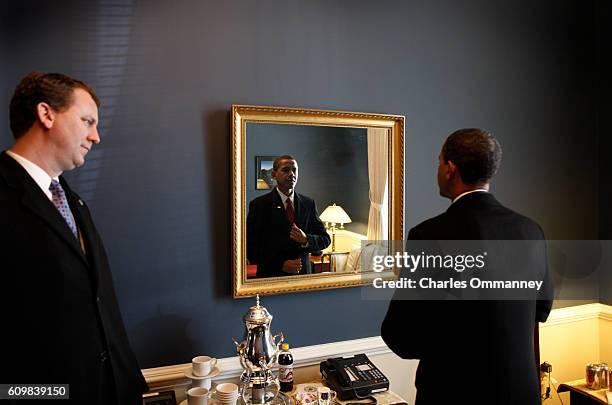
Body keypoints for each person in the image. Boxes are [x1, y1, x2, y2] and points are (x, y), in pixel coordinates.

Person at [0, 72, 148, 404]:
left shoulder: (71, 200)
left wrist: (128, 385)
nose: (95, 136)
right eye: (87, 121)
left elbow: (99, 305)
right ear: (46, 113)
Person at [381, 129, 553, 405]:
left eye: (439, 162)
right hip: (520, 392)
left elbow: (400, 335)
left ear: (450, 169)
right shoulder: (530, 230)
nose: (438, 169)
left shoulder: (428, 236)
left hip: (454, 393)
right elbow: (542, 308)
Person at [247, 155, 331, 277]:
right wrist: (280, 264)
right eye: (286, 170)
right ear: (274, 175)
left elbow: (325, 239)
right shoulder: (259, 205)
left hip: (303, 279)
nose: (292, 174)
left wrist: (306, 239)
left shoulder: (308, 204)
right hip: (271, 277)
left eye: (294, 170)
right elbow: (250, 248)